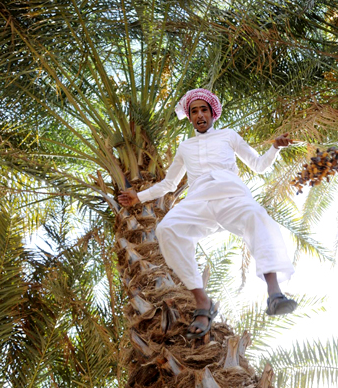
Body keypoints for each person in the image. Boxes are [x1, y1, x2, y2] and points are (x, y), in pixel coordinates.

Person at [118, 88, 297, 339]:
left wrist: (275, 148)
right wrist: (139, 196)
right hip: (198, 201)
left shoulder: (228, 135)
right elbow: (169, 184)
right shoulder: (185, 147)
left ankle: (274, 293)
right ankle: (203, 303)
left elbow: (258, 166)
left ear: (213, 114)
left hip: (231, 196)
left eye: (204, 110)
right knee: (166, 229)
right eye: (194, 111)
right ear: (189, 118)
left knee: (258, 217)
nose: (199, 115)